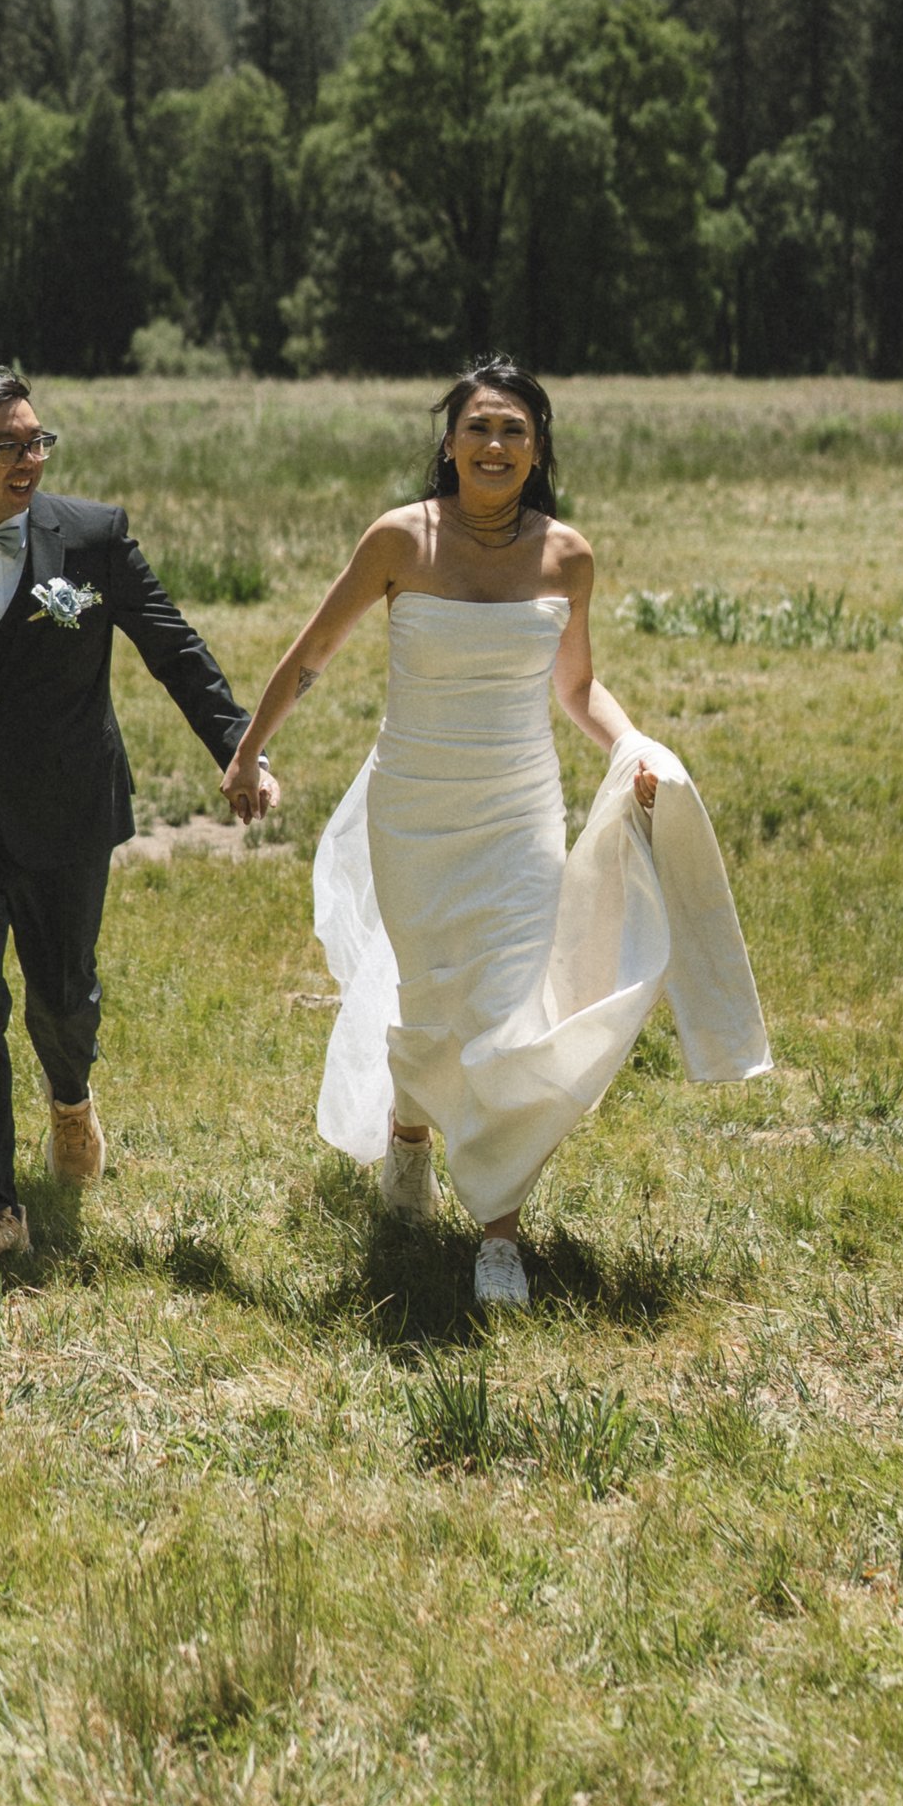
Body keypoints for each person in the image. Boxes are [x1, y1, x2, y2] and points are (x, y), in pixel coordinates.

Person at [223, 357, 768, 1310]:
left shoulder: (567, 556)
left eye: (515, 430)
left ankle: (499, 1233)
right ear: (449, 443)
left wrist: (634, 748)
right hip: (414, 809)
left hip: (519, 813)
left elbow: (577, 687)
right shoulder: (400, 539)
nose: (495, 444)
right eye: (478, 426)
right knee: (434, 994)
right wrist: (247, 753)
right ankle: (409, 1132)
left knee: (508, 1009)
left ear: (538, 451)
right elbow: (313, 653)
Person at [0, 368, 277, 1266]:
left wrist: (238, 749)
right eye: (7, 445)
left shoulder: (92, 537)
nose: (30, 459)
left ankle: (71, 1099)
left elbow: (174, 647)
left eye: (38, 440)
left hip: (66, 810)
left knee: (63, 999)